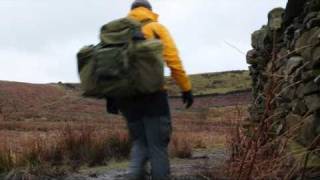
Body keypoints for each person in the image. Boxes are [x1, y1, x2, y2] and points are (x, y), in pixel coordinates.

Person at [106, 0, 194, 179]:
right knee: (157, 146)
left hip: (126, 99)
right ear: (149, 11)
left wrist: (110, 97)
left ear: (131, 12)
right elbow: (173, 61)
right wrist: (186, 88)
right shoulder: (156, 28)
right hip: (154, 97)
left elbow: (108, 66)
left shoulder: (117, 33)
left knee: (139, 143)